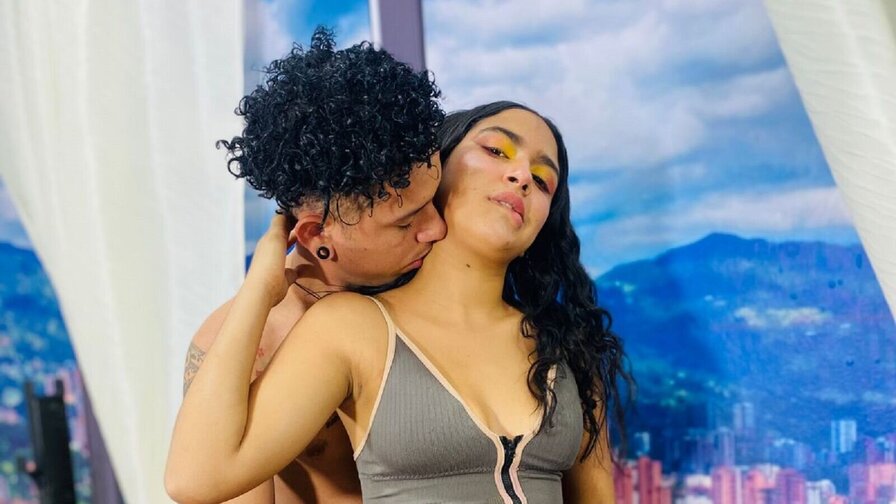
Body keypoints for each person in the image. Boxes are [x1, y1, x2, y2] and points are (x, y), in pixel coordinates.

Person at [167, 101, 632, 503]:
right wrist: (263, 286)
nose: (522, 176)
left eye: (543, 180)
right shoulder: (347, 328)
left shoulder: (569, 349)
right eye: (496, 150)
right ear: (432, 170)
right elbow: (197, 478)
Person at [182, 27, 446, 503]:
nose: (437, 228)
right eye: (407, 222)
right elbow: (201, 483)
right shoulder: (250, 339)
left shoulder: (440, 283)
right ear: (315, 236)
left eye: (435, 200)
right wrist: (259, 292)